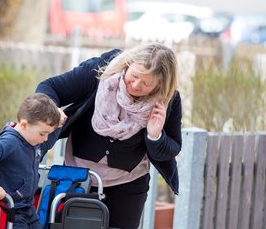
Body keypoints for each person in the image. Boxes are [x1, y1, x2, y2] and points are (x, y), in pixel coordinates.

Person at [36, 42, 182, 229]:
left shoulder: (168, 100)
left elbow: (172, 148)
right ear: (127, 64)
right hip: (79, 177)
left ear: (160, 85)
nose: (136, 85)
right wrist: (51, 113)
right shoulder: (101, 70)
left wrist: (155, 136)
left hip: (128, 186)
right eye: (134, 76)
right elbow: (50, 87)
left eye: (146, 83)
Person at [0, 93, 67, 229]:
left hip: (27, 207)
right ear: (24, 125)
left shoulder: (32, 140)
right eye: (42, 133)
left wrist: (58, 126)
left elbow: (46, 145)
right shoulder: (9, 141)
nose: (45, 138)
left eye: (47, 134)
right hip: (11, 208)